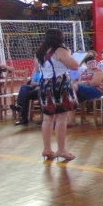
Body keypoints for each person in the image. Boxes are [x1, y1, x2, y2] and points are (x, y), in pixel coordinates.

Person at [36, 28, 81, 161]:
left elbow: (37, 69)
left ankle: (47, 149)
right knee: (61, 118)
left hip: (44, 84)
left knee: (47, 118)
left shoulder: (40, 51)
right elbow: (75, 65)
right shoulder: (60, 50)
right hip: (59, 84)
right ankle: (61, 150)